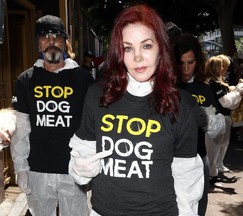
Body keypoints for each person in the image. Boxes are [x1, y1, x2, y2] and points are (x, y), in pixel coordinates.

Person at [69, 4, 204, 216]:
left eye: (147, 46)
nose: (138, 57)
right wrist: (80, 168)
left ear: (161, 47)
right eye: (128, 48)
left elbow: (187, 176)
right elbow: (80, 154)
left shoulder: (182, 104)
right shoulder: (97, 95)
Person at [10, 15, 94, 216]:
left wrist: (89, 164)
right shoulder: (26, 79)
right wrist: (20, 167)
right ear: (38, 42)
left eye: (56, 37)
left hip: (73, 170)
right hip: (38, 170)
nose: (51, 43)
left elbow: (91, 125)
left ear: (64, 42)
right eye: (44, 37)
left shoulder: (82, 79)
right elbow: (21, 129)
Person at [174, 33, 225, 216]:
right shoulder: (166, 87)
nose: (186, 68)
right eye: (181, 63)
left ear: (198, 60)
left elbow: (218, 128)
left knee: (197, 210)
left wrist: (206, 119)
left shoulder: (205, 88)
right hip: (169, 161)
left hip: (198, 158)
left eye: (191, 62)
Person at [205, 56, 243, 183]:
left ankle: (214, 171)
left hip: (220, 117)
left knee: (220, 145)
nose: (225, 69)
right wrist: (239, 92)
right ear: (217, 68)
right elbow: (225, 102)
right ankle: (212, 173)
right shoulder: (215, 84)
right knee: (214, 147)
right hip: (217, 118)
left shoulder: (214, 83)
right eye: (222, 66)